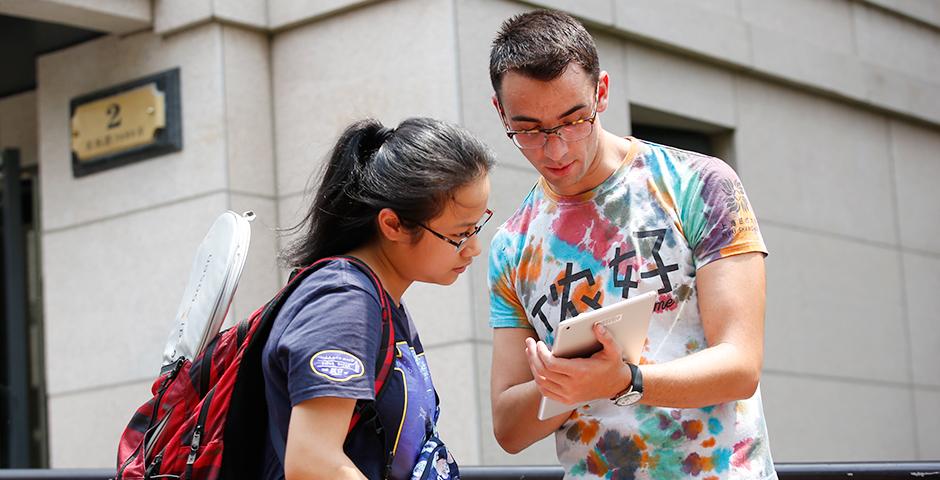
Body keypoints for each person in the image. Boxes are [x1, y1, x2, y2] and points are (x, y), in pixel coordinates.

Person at [486, 10, 776, 479]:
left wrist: (627, 381)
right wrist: (564, 384)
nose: (555, 149)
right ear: (500, 113)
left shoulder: (697, 185)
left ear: (601, 92)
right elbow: (507, 427)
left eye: (573, 119)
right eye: (529, 130)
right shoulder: (511, 245)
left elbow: (741, 366)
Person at [261, 117, 494, 480]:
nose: (474, 249)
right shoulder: (343, 302)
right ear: (393, 225)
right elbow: (312, 462)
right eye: (461, 234)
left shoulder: (381, 301)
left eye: (478, 227)